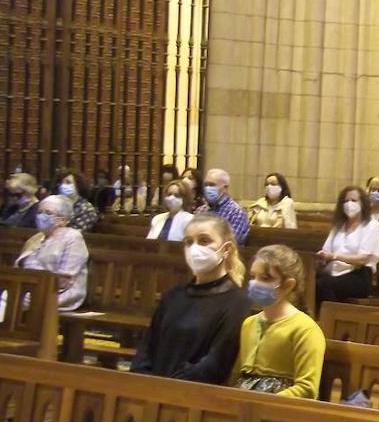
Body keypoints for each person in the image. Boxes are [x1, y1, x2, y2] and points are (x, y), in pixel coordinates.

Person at [130, 214, 250, 382]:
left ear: (226, 249)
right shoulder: (173, 296)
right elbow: (147, 348)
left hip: (192, 394)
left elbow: (215, 363)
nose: (195, 248)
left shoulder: (237, 302)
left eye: (204, 241)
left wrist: (168, 386)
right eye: (188, 242)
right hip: (151, 390)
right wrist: (143, 379)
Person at [232, 245, 326, 398]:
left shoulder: (305, 329)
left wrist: (262, 404)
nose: (255, 283)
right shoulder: (249, 324)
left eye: (265, 278)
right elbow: (236, 376)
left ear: (288, 285)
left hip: (280, 410)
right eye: (253, 277)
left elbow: (307, 389)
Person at [16, 196, 89, 310]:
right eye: (40, 212)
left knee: (14, 300)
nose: (41, 216)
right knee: (10, 296)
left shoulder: (73, 237)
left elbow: (64, 279)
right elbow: (20, 269)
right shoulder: (36, 238)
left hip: (59, 293)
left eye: (48, 213)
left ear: (63, 220)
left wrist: (29, 260)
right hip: (34, 287)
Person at [316, 186, 379, 304]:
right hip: (335, 272)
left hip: (359, 275)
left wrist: (335, 256)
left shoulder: (371, 226)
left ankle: (329, 319)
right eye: (346, 201)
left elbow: (363, 259)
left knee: (323, 285)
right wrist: (322, 258)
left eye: (353, 200)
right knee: (307, 283)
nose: (349, 204)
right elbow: (326, 250)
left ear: (363, 203)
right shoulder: (339, 226)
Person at [196, 168, 250, 245]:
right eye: (205, 185)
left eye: (212, 185)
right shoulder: (200, 210)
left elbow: (230, 242)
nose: (207, 188)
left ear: (225, 188)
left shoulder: (236, 213)